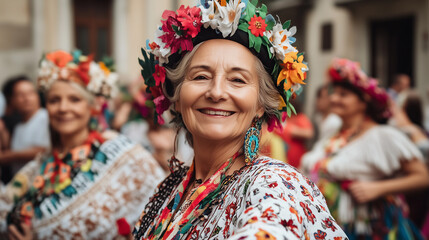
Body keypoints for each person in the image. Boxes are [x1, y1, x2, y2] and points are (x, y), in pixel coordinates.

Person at [132, 1, 348, 239]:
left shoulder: (274, 183)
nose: (216, 92)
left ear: (260, 105)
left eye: (237, 80)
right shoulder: (171, 188)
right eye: (201, 76)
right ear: (177, 98)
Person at [0, 50, 165, 239]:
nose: (63, 108)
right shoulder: (39, 167)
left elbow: (163, 211)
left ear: (92, 106)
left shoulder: (124, 154)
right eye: (55, 100)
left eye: (74, 99)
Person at [301, 58, 429, 239]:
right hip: (332, 226)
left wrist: (377, 188)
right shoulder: (334, 135)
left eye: (343, 94)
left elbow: (422, 177)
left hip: (368, 229)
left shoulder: (383, 135)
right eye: (334, 93)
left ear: (364, 101)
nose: (334, 98)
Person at [0, 76, 50, 178]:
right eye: (20, 95)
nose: (27, 98)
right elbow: (12, 149)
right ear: (12, 100)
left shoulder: (46, 117)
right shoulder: (18, 127)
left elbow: (45, 150)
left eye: (31, 93)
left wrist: (8, 156)